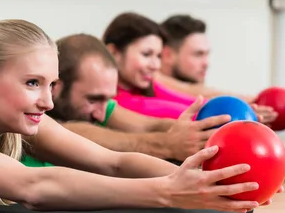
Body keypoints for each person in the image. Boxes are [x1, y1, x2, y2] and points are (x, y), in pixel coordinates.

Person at [0, 19, 280, 212]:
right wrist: (166, 193)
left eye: (50, 84)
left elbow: (112, 163)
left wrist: (219, 182)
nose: (48, 102)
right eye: (32, 82)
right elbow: (32, 187)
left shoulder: (15, 118)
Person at [35, 33, 230, 163]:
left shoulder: (97, 103)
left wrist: (206, 132)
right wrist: (166, 144)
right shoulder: (30, 116)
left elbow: (149, 126)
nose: (102, 115)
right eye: (93, 100)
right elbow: (67, 132)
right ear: (55, 86)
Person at [102, 12, 276, 123]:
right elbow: (175, 112)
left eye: (157, 56)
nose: (155, 65)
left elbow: (191, 102)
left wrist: (239, 108)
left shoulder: (148, 85)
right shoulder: (107, 101)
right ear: (114, 52)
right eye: (146, 54)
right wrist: (230, 115)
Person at [157, 14, 285, 116]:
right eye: (198, 54)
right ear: (168, 55)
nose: (206, 63)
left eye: (207, 54)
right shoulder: (152, 80)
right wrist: (274, 96)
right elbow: (197, 92)